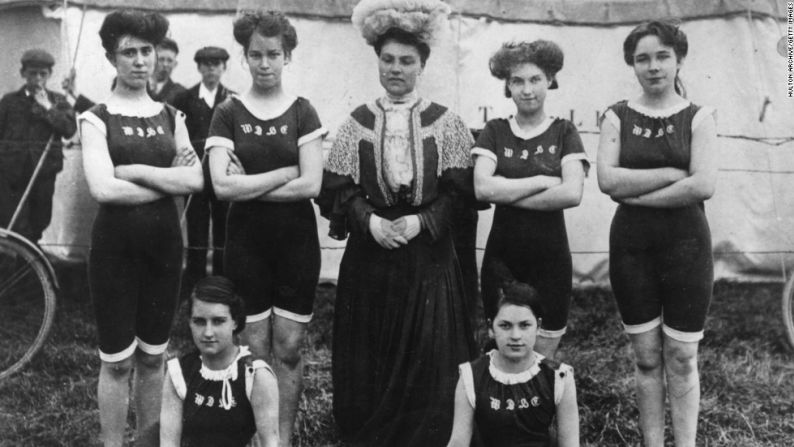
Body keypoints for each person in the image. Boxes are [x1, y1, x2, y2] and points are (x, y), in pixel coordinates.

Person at [317, 1, 478, 444]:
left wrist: (421, 221)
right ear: (377, 62)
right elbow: (337, 188)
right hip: (371, 255)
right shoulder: (355, 123)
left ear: (422, 65)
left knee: (429, 349)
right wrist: (367, 222)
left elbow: (461, 197)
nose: (396, 69)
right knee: (370, 351)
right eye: (388, 60)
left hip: (427, 256)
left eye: (407, 61)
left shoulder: (448, 124)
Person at [78, 9, 203, 446]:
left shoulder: (172, 115)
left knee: (153, 358)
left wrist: (130, 170)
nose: (139, 60)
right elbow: (104, 190)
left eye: (146, 50)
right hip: (114, 251)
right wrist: (166, 179)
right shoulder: (96, 117)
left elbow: (195, 180)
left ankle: (149, 442)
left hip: (164, 250)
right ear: (112, 58)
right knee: (116, 362)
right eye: (128, 52)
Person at [206, 11, 325, 447]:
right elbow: (221, 186)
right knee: (254, 352)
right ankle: (260, 437)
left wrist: (249, 184)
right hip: (246, 243)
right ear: (244, 56)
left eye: (273, 54)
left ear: (287, 55)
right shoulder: (228, 112)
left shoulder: (302, 111)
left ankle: (284, 440)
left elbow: (311, 184)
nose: (264, 63)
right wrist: (283, 172)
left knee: (289, 348)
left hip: (295, 243)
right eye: (255, 54)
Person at [596, 21, 717, 446]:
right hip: (631, 247)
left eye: (662, 56)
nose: (653, 66)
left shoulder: (698, 117)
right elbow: (607, 181)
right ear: (632, 64)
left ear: (679, 59)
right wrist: (670, 174)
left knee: (682, 356)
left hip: (687, 245)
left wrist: (639, 192)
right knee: (647, 358)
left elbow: (703, 184)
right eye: (643, 58)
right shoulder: (617, 115)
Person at [473, 40, 588, 359]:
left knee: (543, 355)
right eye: (518, 81)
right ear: (507, 86)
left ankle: (541, 408)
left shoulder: (564, 131)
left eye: (535, 79)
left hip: (550, 257)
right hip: (503, 256)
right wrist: (540, 180)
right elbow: (482, 188)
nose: (527, 89)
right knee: (506, 347)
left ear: (550, 80)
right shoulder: (495, 130)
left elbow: (571, 193)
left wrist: (506, 191)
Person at [447, 278, 580, 447]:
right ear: (491, 328)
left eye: (524, 325)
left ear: (538, 326)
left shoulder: (559, 377)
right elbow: (458, 443)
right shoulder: (471, 376)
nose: (515, 336)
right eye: (505, 325)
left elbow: (570, 444)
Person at [161, 276, 280, 447]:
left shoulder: (255, 375)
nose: (208, 332)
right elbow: (168, 443)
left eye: (218, 321)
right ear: (189, 322)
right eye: (199, 322)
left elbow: (271, 442)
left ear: (235, 321)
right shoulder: (178, 373)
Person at [173, 46, 234, 301]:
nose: (211, 69)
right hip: (196, 178)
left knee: (223, 232)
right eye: (206, 64)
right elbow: (175, 134)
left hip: (222, 178)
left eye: (217, 64)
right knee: (196, 233)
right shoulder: (184, 99)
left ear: (223, 68)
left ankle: (220, 289)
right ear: (199, 67)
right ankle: (194, 289)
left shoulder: (233, 99)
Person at [0, 49, 76, 243]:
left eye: (43, 74)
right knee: (13, 223)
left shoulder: (58, 101)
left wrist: (47, 108)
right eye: (33, 73)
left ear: (50, 75)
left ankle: (31, 265)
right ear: (23, 73)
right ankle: (15, 265)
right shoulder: (9, 102)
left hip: (43, 174)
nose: (38, 79)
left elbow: (69, 129)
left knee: (39, 221)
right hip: (11, 176)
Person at [149, 37, 186, 105]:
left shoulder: (181, 93)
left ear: (175, 64)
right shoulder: (137, 86)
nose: (165, 64)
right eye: (161, 59)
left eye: (170, 61)